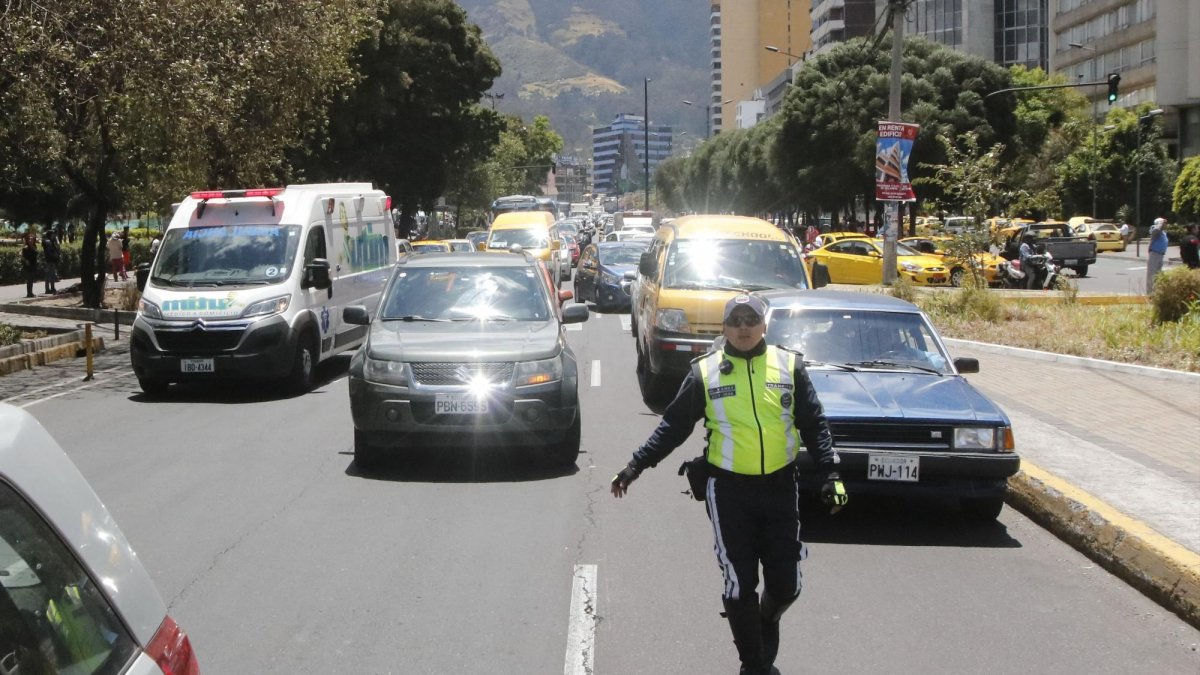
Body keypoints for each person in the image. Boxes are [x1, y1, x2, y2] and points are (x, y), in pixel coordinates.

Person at [610, 294, 845, 675]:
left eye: (751, 320)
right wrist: (635, 465)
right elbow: (673, 427)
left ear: (764, 325)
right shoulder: (706, 373)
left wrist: (831, 473)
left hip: (780, 489)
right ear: (725, 327)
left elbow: (813, 422)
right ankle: (754, 665)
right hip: (729, 493)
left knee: (787, 586)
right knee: (739, 583)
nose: (743, 328)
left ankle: (764, 619)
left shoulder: (789, 366)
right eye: (735, 321)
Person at [1146, 217, 1169, 292]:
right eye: (1164, 223)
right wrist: (1160, 223)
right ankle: (1149, 292)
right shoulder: (1156, 231)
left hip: (1161, 255)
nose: (1166, 224)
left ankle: (1156, 291)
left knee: (1158, 274)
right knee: (1152, 274)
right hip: (1154, 254)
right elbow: (1156, 230)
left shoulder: (1163, 233)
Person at [41, 230, 60, 294]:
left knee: (52, 275)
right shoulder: (48, 241)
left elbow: (58, 247)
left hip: (52, 260)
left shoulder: (51, 241)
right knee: (48, 275)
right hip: (49, 260)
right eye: (53, 234)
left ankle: (52, 288)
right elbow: (51, 251)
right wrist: (55, 255)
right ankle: (48, 289)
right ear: (50, 235)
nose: (54, 236)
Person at [21, 234, 39, 299]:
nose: (31, 240)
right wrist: (26, 261)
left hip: (33, 264)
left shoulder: (34, 246)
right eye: (29, 239)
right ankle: (29, 293)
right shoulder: (26, 248)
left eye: (32, 239)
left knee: (31, 279)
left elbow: (36, 254)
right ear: (27, 240)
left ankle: (31, 292)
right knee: (29, 279)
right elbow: (22, 256)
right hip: (28, 265)